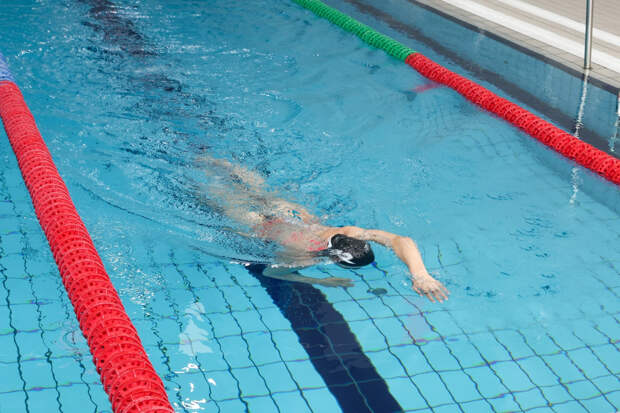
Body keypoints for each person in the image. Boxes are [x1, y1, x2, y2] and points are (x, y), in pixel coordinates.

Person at [198, 156, 449, 303]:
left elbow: (401, 240)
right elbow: (275, 274)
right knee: (209, 200)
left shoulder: (348, 231)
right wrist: (321, 281)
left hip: (286, 209)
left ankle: (215, 160)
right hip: (256, 222)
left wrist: (421, 275)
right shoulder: (305, 256)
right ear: (337, 260)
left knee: (259, 190)